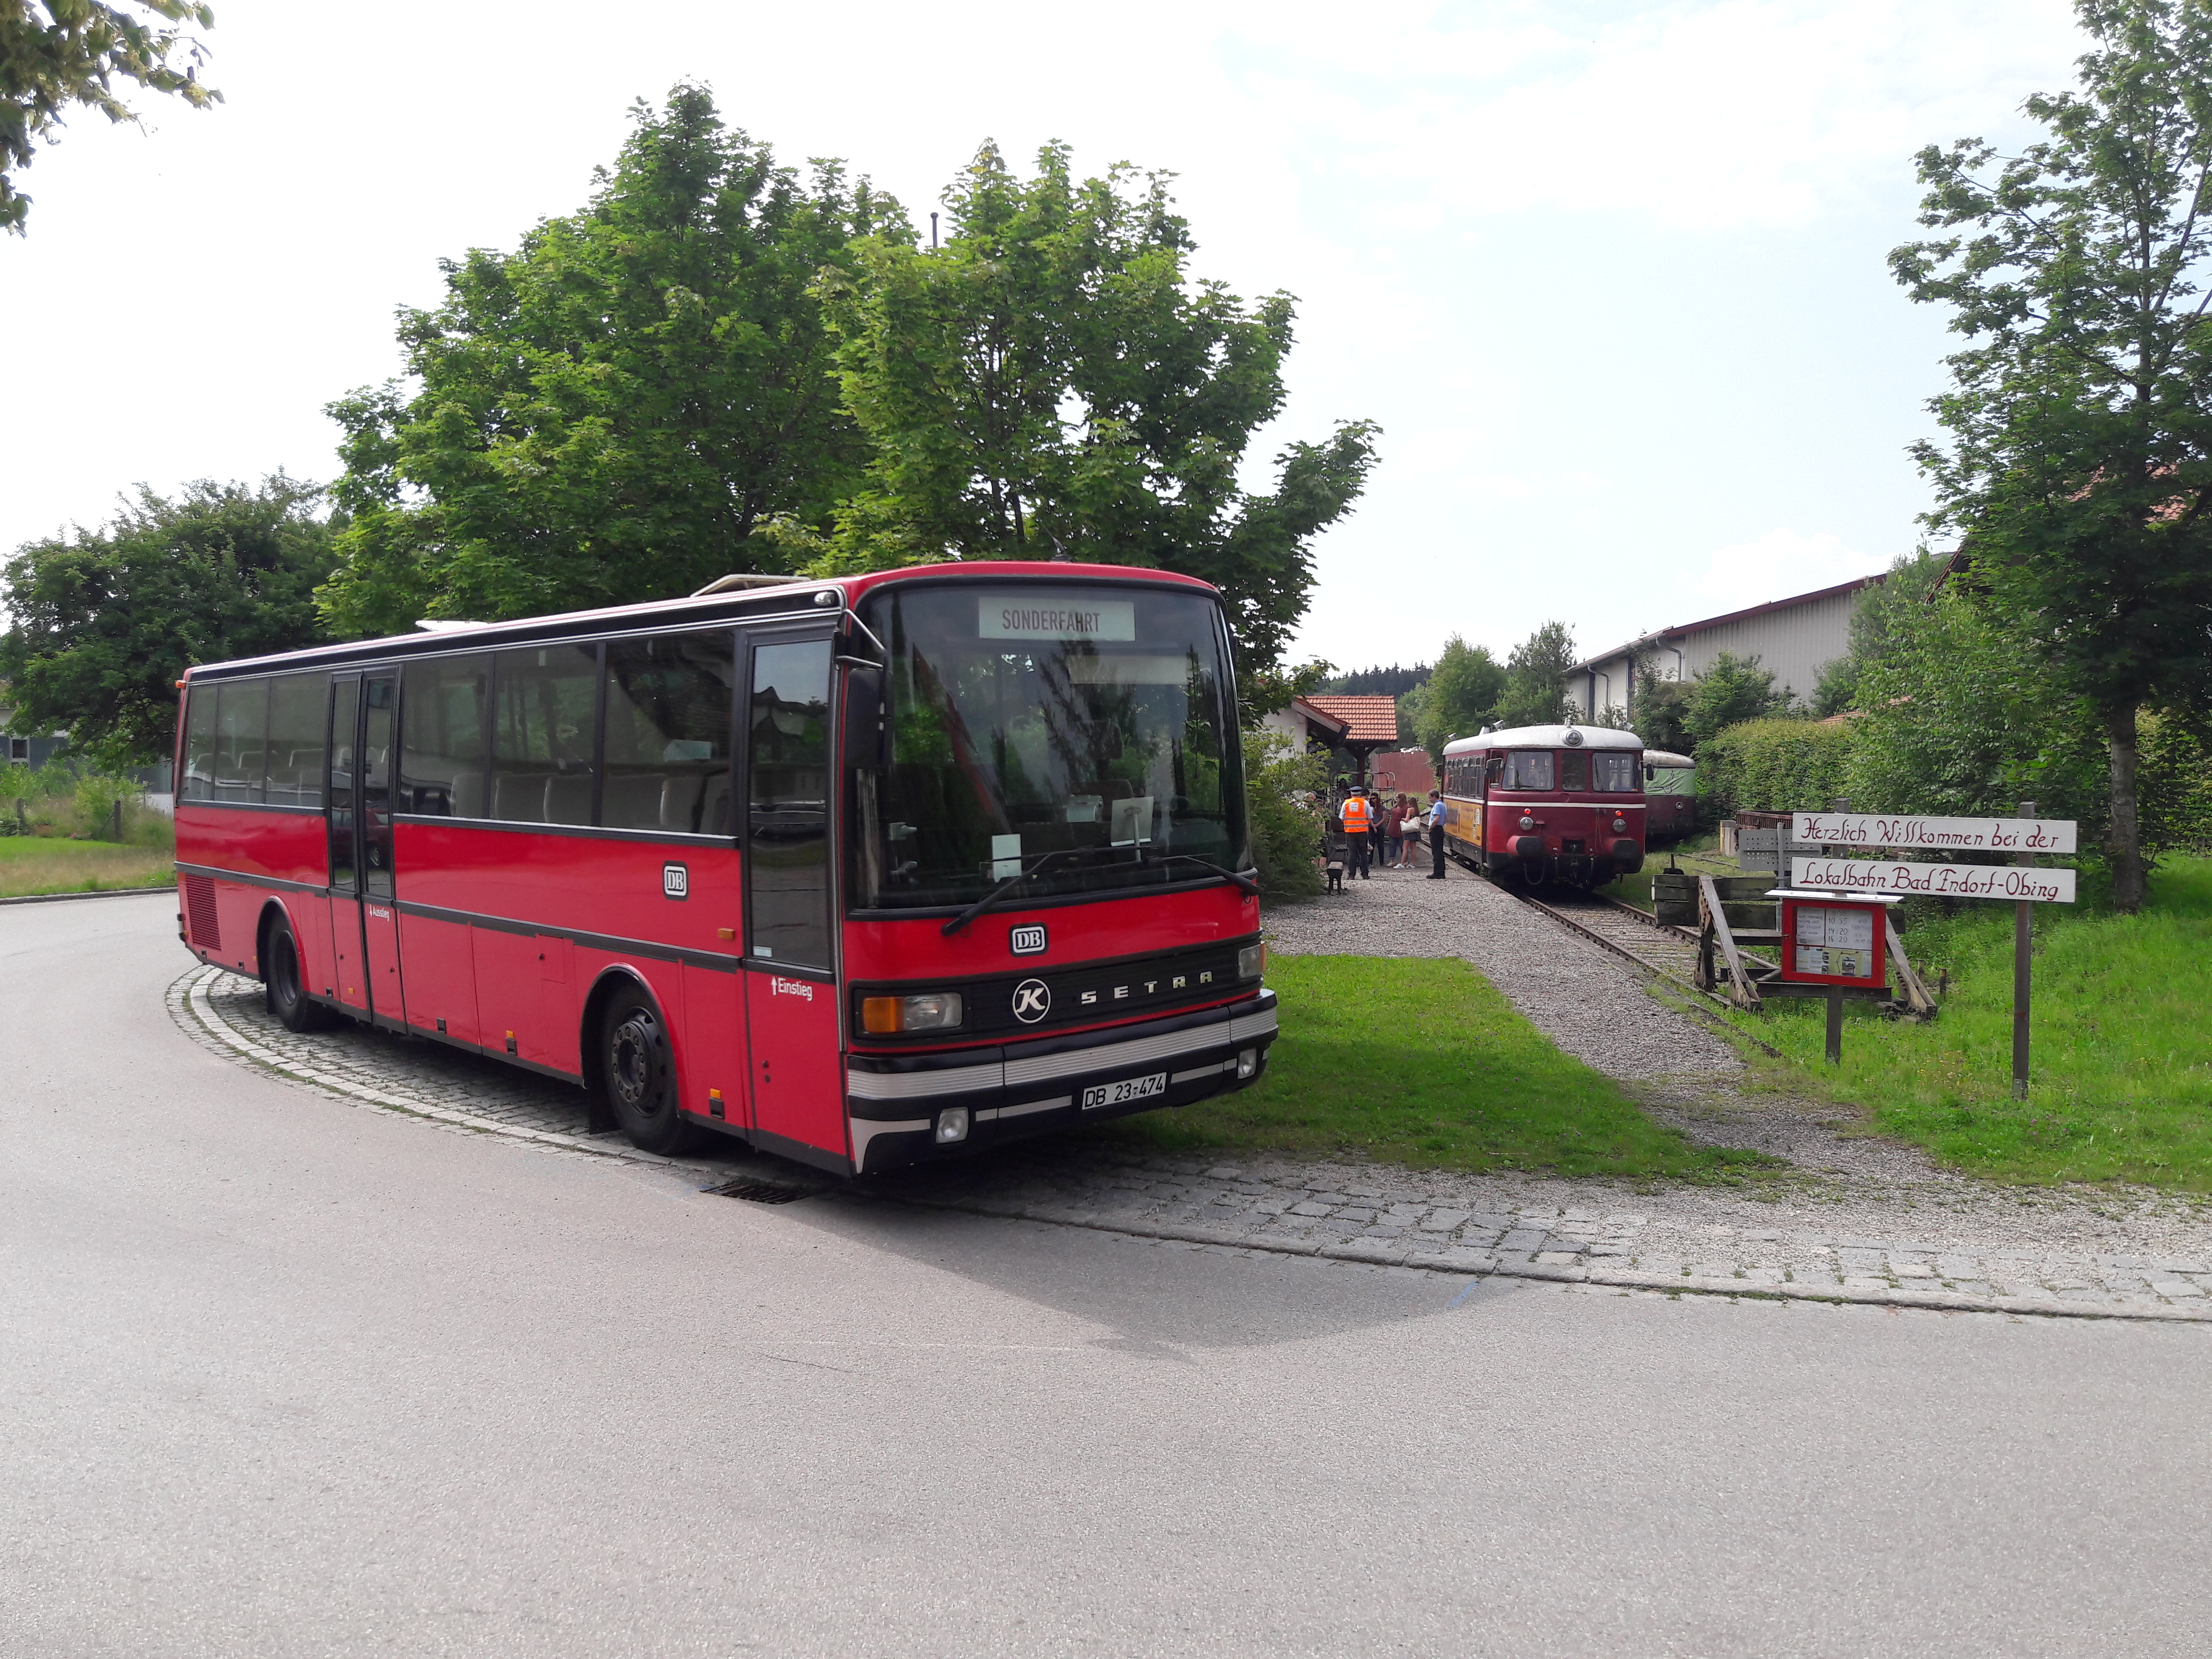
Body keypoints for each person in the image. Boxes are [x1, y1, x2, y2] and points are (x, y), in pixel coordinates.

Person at [1338, 786, 1374, 880]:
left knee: (1352, 853)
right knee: (1363, 853)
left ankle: (1351, 875)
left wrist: (1349, 825)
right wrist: (1364, 826)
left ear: (1351, 794)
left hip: (1350, 832)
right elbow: (1370, 818)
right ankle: (1365, 874)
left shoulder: (1346, 803)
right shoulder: (1365, 803)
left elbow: (1342, 818)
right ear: (1360, 794)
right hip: (1362, 832)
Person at [1426, 788, 1448, 879]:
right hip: (1440, 829)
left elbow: (1437, 819)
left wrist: (1431, 828)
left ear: (1434, 796)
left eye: (1430, 797)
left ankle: (1438, 872)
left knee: (1436, 852)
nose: (1429, 800)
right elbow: (1446, 819)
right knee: (1439, 851)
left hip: (1435, 830)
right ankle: (1441, 871)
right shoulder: (1443, 805)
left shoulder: (1437, 806)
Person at [1399, 797, 1424, 868]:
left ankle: (1402, 863)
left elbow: (1407, 820)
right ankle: (1413, 864)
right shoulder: (1417, 810)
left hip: (1409, 830)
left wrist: (1402, 819)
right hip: (1415, 830)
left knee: (1405, 847)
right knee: (1413, 847)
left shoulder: (1410, 809)